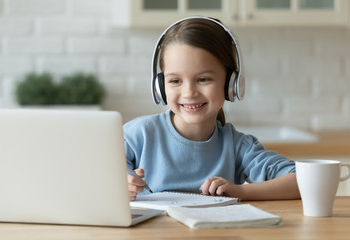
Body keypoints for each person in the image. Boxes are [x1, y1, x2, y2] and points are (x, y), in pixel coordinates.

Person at [124, 16, 300, 201]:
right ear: (160, 87)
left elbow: (301, 180)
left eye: (203, 79)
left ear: (231, 84)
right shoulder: (139, 134)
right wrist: (120, 179)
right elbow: (96, 165)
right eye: (175, 81)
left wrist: (242, 192)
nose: (189, 93)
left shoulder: (237, 146)